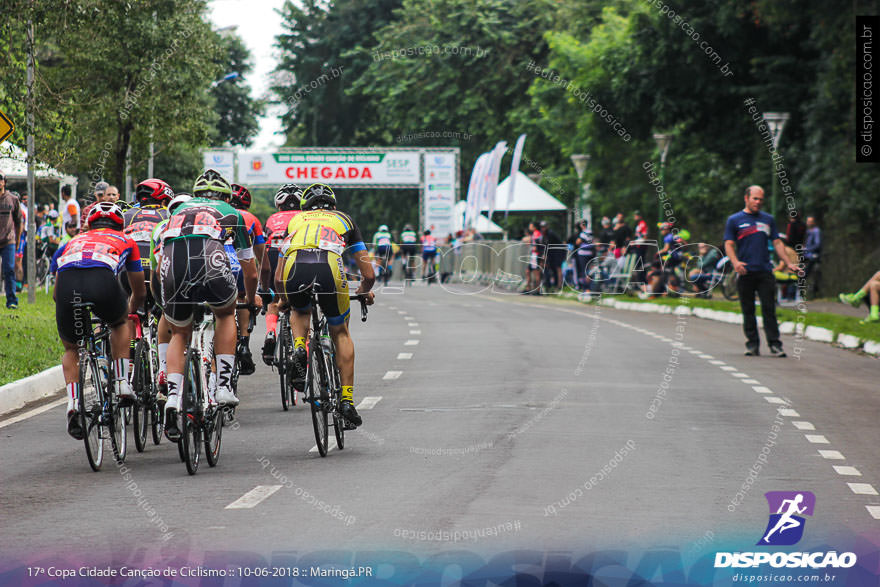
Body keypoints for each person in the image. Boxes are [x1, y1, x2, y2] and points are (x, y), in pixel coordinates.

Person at [158, 170, 260, 441]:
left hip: (172, 264)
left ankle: (172, 395)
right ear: (226, 196)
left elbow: (160, 263)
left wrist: (163, 301)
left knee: (179, 331)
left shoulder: (177, 212)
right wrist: (249, 301)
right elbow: (250, 270)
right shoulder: (233, 213)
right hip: (209, 260)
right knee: (226, 314)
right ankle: (224, 386)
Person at [276, 183, 375, 428]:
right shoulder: (345, 220)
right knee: (340, 331)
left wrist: (283, 299)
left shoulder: (295, 221)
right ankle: (347, 402)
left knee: (299, 310)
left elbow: (278, 277)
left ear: (305, 207)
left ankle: (300, 350)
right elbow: (369, 273)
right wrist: (363, 292)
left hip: (294, 267)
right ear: (333, 205)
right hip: (329, 266)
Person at [50, 202, 145, 439]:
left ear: (89, 224)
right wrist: (128, 310)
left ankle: (73, 402)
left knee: (72, 347)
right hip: (102, 278)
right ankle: (123, 382)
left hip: (68, 286)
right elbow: (139, 289)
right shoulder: (126, 240)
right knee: (120, 323)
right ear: (120, 224)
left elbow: (55, 292)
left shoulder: (71, 242)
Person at [724, 185, 798, 356]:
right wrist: (735, 262)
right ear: (746, 198)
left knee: (769, 309)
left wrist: (788, 262)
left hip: (765, 271)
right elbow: (729, 244)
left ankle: (775, 344)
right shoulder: (734, 220)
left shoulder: (768, 219)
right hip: (745, 272)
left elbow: (778, 242)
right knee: (748, 310)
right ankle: (752, 344)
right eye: (755, 198)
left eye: (761, 199)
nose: (758, 202)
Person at [260, 184, 302, 364]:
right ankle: (303, 346)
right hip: (298, 258)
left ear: (279, 205)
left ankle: (271, 331)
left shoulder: (271, 219)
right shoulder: (304, 217)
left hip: (274, 256)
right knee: (302, 305)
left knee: (274, 301)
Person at [229, 183, 266, 376]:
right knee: (244, 300)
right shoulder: (251, 219)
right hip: (241, 268)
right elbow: (263, 261)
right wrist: (265, 289)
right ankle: (244, 343)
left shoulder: (212, 213)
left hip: (212, 265)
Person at [0, 173, 22, 308]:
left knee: (9, 270)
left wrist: (18, 240)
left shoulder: (12, 199)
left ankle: (12, 301)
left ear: (4, 182)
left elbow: (19, 221)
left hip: (8, 241)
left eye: (0, 179)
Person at [572, 220, 596, 291]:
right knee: (589, 270)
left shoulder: (583, 233)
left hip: (583, 254)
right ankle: (590, 287)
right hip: (591, 253)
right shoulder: (591, 232)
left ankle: (586, 288)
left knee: (584, 271)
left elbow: (577, 242)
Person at [803, 216, 821, 284]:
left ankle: (803, 277)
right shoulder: (807, 232)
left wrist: (806, 249)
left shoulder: (816, 231)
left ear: (814, 222)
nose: (809, 223)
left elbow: (817, 245)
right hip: (806, 254)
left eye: (810, 221)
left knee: (808, 269)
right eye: (808, 221)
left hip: (812, 255)